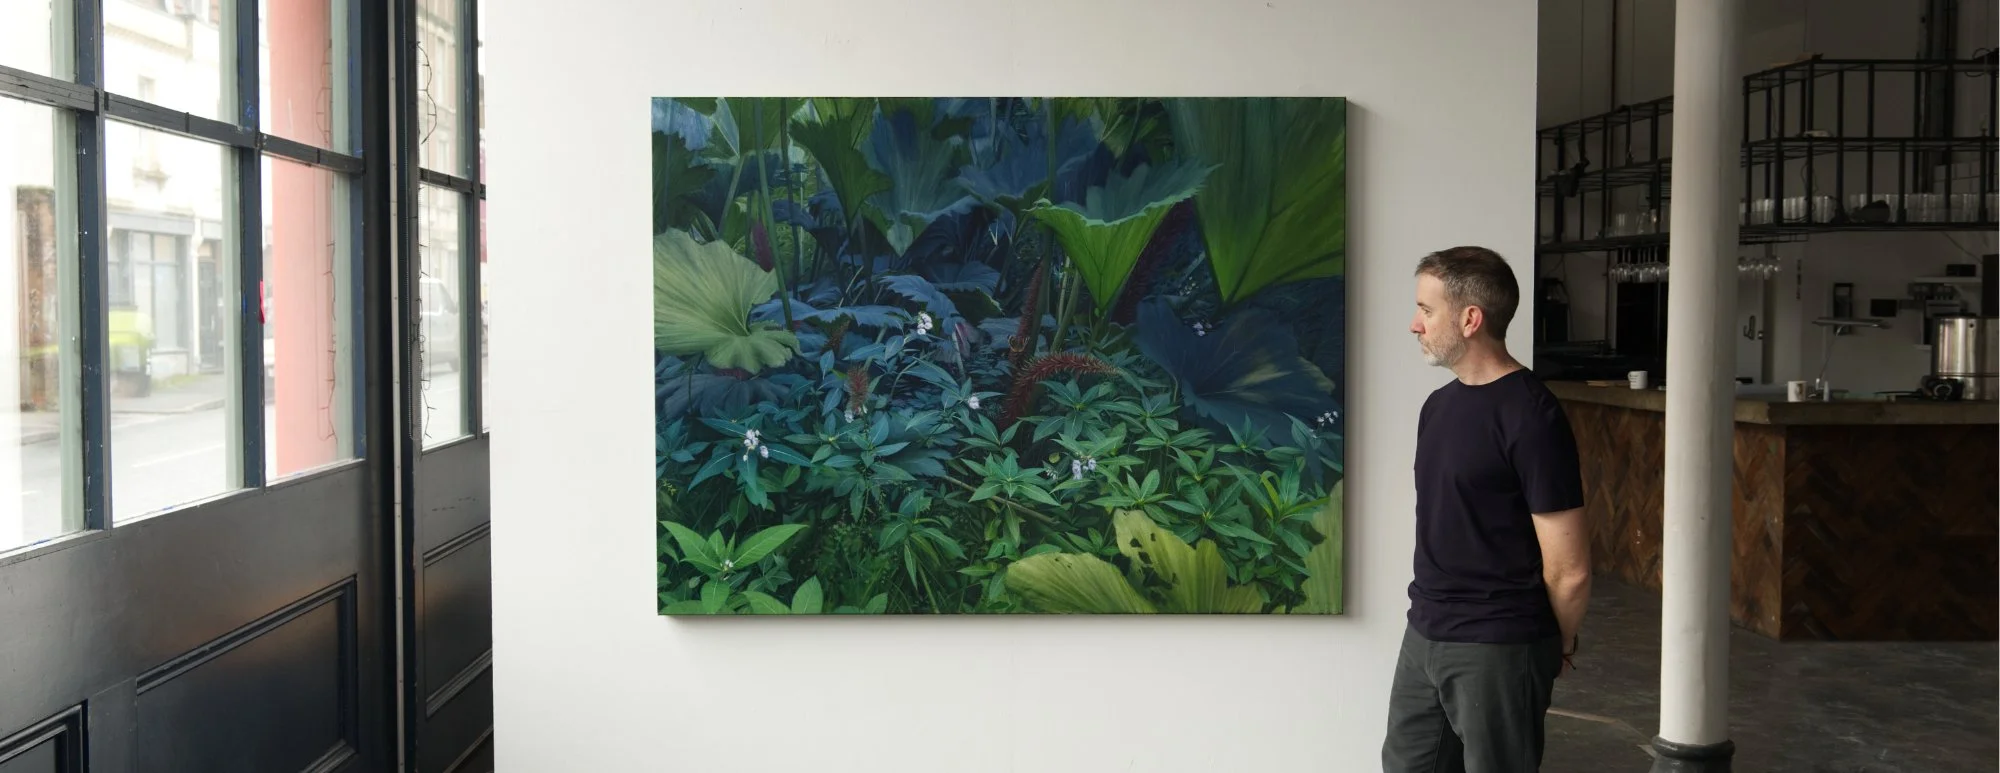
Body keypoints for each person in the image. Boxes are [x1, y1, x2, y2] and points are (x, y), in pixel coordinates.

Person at [1382, 246, 1591, 773]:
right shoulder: (1439, 407)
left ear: (1470, 319)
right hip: (1425, 630)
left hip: (1499, 644)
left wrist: (1555, 643)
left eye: (1426, 310)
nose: (1414, 324)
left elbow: (1569, 569)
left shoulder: (1532, 415)